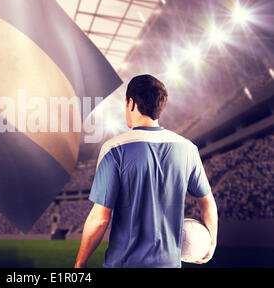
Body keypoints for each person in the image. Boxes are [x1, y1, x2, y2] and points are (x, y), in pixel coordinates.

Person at [75, 74, 218, 268]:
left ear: (131, 103)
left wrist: (80, 263)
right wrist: (211, 242)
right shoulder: (187, 148)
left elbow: (101, 219)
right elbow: (207, 202)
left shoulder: (114, 149)